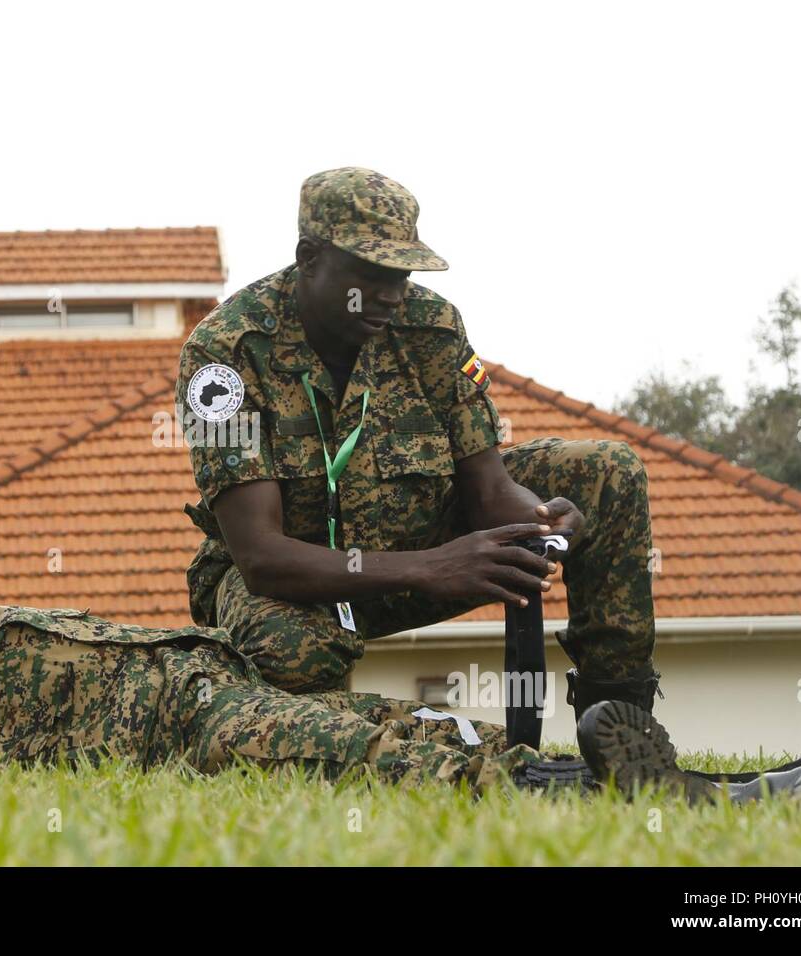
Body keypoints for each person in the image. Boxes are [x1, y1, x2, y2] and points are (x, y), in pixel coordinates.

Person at [0, 535, 801, 811]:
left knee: (342, 674)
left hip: (208, 661)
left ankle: (756, 774)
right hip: (180, 729)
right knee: (393, 750)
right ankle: (752, 798)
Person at [177, 167, 663, 734]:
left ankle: (621, 730)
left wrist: (537, 520)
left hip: (418, 547)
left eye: (402, 272)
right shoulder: (226, 353)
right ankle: (396, 741)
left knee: (607, 470)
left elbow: (489, 490)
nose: (391, 293)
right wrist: (433, 567)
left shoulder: (430, 326)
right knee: (289, 651)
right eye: (371, 273)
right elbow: (261, 558)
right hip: (298, 582)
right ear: (308, 256)